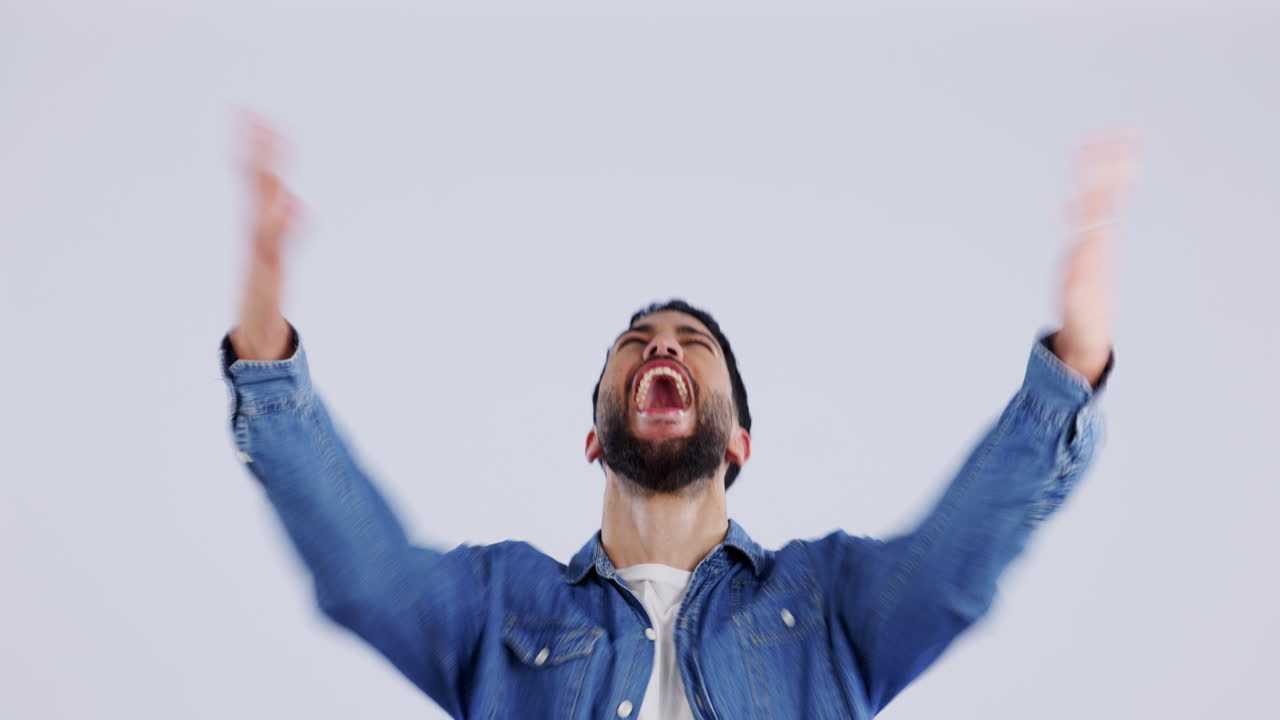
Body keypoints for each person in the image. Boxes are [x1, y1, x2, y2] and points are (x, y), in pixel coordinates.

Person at [220, 115, 1131, 719]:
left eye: (692, 342)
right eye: (638, 340)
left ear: (739, 440)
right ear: (592, 440)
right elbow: (364, 573)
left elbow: (959, 561)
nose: (662, 349)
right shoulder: (499, 608)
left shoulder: (827, 604)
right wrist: (265, 359)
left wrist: (1070, 366)